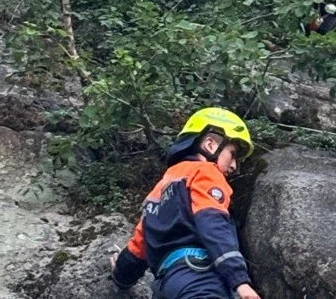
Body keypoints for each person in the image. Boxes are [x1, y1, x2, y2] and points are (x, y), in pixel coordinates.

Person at [109, 107, 260, 299]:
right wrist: (240, 281)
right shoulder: (205, 172)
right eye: (232, 153)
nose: (234, 165)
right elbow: (212, 222)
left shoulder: (162, 186)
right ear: (210, 144)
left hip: (165, 285)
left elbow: (138, 247)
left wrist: (121, 275)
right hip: (198, 278)